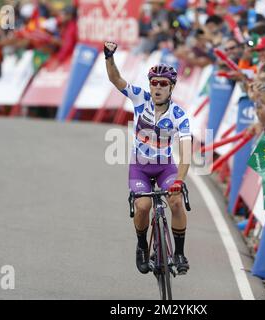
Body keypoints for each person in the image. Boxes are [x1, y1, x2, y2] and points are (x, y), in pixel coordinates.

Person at [104, 41, 192, 275]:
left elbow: (186, 153)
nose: (157, 87)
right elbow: (116, 79)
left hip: (165, 167)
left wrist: (179, 181)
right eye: (154, 83)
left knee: (175, 201)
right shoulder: (140, 99)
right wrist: (109, 57)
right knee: (142, 206)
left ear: (171, 87)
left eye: (163, 84)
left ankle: (180, 252)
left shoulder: (179, 115)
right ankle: (142, 246)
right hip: (140, 166)